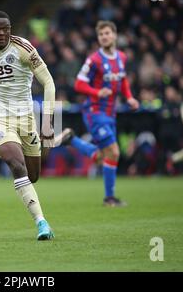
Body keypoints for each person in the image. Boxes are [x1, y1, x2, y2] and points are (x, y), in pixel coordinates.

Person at [0, 11, 56, 240]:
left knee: (32, 176)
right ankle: (42, 223)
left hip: (26, 119)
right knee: (16, 165)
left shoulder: (23, 48)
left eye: (5, 28)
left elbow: (48, 82)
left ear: (10, 28)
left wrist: (47, 122)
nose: (1, 33)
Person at [54, 20, 139, 207]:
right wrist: (97, 92)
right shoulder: (94, 60)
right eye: (101, 35)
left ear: (114, 35)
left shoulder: (121, 58)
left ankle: (72, 140)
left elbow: (122, 81)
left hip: (111, 113)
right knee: (114, 152)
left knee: (104, 156)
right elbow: (78, 84)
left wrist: (130, 97)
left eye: (107, 33)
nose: (104, 37)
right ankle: (109, 198)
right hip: (95, 112)